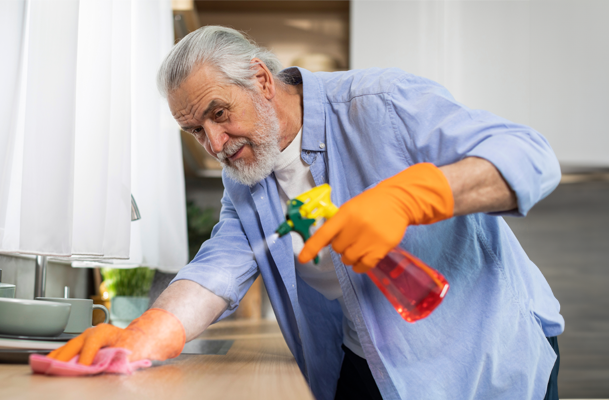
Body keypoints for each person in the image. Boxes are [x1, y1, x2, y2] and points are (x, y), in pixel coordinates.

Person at [48, 26, 563, 400]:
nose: (214, 142)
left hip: (484, 355)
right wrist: (142, 334)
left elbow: (531, 157)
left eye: (219, 114)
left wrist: (407, 197)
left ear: (261, 80)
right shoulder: (246, 179)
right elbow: (217, 271)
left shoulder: (381, 102)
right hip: (369, 366)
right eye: (195, 131)